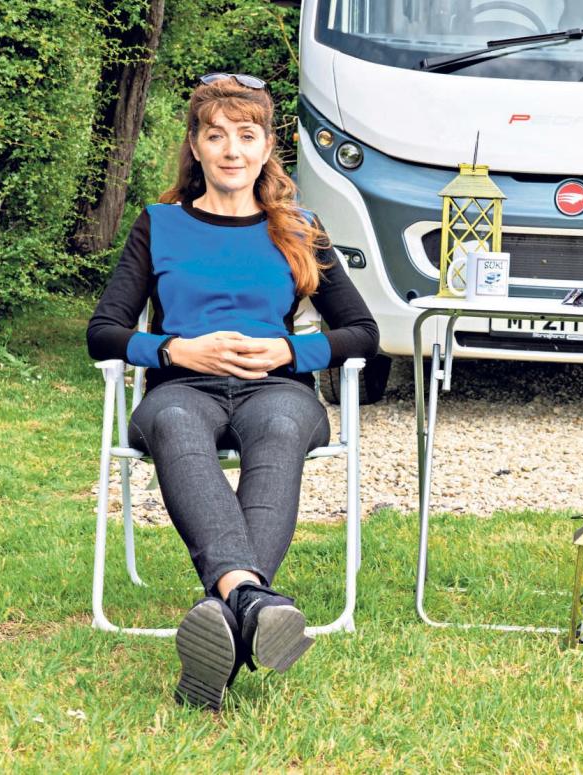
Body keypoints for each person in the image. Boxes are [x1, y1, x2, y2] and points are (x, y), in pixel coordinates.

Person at [87, 73, 379, 711]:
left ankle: (224, 608)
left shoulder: (299, 226)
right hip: (180, 388)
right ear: (194, 146)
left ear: (267, 145)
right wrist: (172, 349)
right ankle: (251, 601)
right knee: (173, 425)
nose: (231, 150)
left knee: (278, 429)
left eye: (246, 135)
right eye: (215, 135)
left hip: (276, 389)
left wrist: (290, 350)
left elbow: (362, 331)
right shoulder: (159, 224)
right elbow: (103, 332)